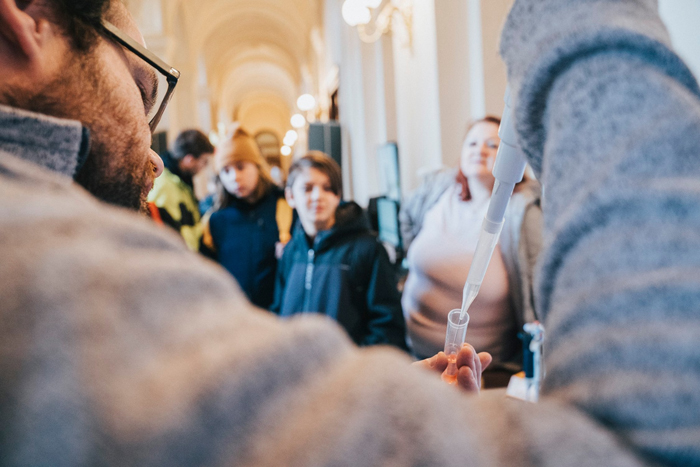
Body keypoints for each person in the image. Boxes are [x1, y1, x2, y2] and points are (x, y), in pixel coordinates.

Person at [1, 0, 698, 466]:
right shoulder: (34, 267)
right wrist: (576, 23)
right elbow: (649, 438)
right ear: (29, 21)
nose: (155, 156)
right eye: (144, 87)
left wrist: (383, 408)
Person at [402, 117, 542, 365]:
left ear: (513, 159)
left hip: (481, 367)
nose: (480, 150)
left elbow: (537, 285)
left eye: (492, 144)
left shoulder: (522, 213)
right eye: (472, 143)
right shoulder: (441, 189)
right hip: (410, 352)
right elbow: (407, 218)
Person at [271, 152, 408, 350]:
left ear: (337, 196)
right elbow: (278, 311)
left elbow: (387, 327)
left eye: (328, 188)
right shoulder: (291, 252)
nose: (318, 196)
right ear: (290, 196)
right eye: (307, 188)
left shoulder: (368, 250)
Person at [201, 126, 293, 308]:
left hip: (279, 312)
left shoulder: (284, 208)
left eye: (241, 167)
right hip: (234, 316)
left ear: (257, 166)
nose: (234, 177)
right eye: (226, 171)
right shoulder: (216, 220)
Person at [147, 129, 213, 251]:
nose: (204, 167)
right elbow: (170, 235)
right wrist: (204, 226)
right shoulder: (165, 185)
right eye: (204, 162)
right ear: (189, 159)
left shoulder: (182, 180)